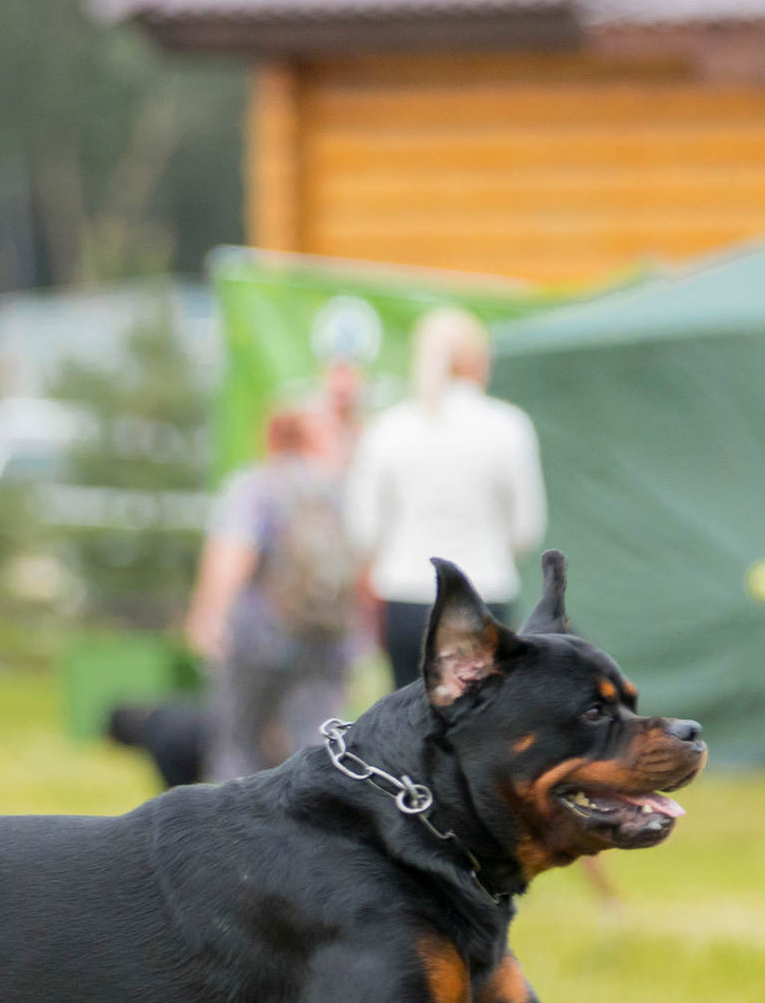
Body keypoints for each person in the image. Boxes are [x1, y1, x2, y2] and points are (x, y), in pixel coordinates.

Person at [348, 307, 546, 690]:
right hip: (484, 597)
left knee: (409, 728)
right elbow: (526, 530)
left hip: (405, 600)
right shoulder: (508, 428)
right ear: (475, 361)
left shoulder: (388, 429)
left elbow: (364, 532)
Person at [184, 410, 364, 781]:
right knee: (318, 745)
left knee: (239, 743)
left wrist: (209, 615)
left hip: (257, 639)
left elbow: (234, 550)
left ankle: (231, 836)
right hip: (327, 638)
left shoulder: (256, 485)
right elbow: (363, 565)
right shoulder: (340, 490)